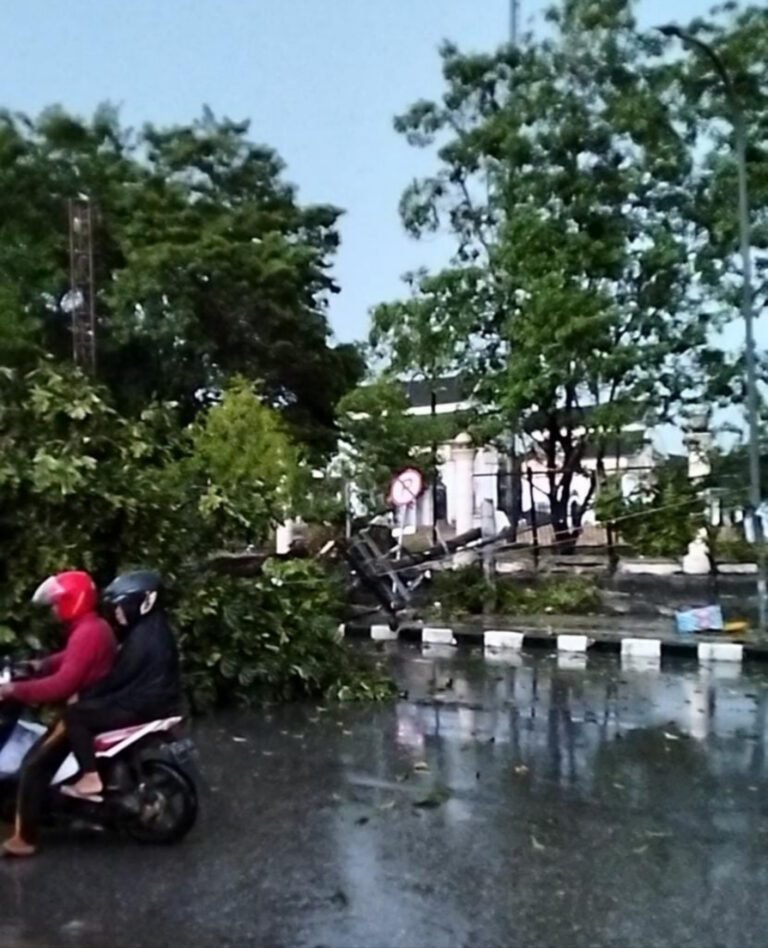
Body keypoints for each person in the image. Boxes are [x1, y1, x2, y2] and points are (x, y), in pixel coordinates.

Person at [0, 571, 116, 857]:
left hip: (84, 710)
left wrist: (15, 690)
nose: (54, 609)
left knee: (33, 766)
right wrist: (39, 665)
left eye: (57, 603)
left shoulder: (87, 633)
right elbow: (68, 660)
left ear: (71, 602)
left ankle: (25, 839)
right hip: (96, 704)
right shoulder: (92, 627)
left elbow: (62, 684)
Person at [62, 569, 182, 802]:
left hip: (143, 704)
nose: (117, 613)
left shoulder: (142, 638)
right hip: (160, 700)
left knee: (76, 716)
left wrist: (84, 694)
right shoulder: (155, 628)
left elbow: (118, 678)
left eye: (121, 605)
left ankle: (90, 777)